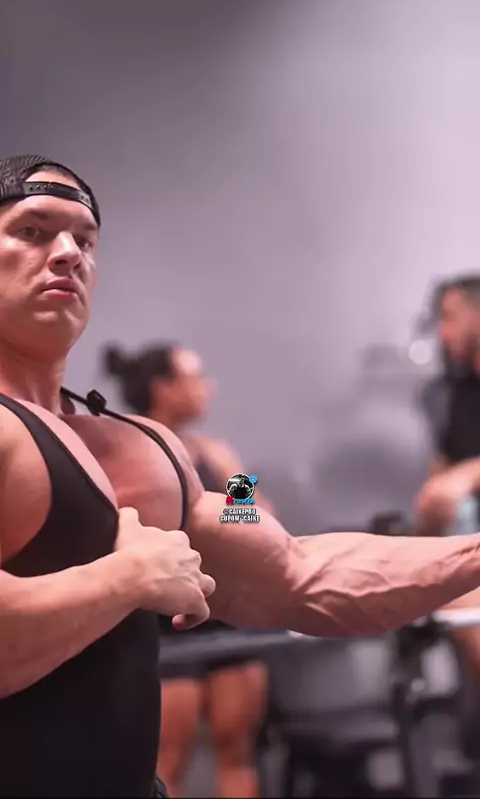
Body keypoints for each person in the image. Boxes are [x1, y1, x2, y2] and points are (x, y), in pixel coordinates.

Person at [2, 155, 480, 799]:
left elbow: (293, 567)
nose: (68, 253)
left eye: (85, 240)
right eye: (33, 231)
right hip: (170, 639)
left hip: (199, 622)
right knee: (177, 750)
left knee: (234, 746)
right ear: (164, 387)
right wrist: (127, 579)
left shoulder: (167, 450)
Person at [103, 342, 272, 798]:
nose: (207, 387)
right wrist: (219, 523)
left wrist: (227, 519)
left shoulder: (217, 454)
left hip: (226, 620)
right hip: (166, 629)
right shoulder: (126, 453)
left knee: (237, 752)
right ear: (164, 387)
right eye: (196, 378)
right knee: (167, 764)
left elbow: (256, 519)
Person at [415, 275, 480, 690]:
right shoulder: (457, 395)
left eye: (450, 318)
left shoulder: (222, 456)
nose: (442, 333)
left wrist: (467, 475)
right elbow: (438, 484)